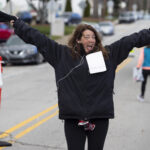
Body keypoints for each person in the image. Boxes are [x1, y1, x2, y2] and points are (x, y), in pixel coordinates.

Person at [1, 11, 150, 150]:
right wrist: (18, 23)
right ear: (78, 39)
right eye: (87, 36)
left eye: (93, 37)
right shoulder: (61, 55)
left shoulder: (108, 56)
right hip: (73, 118)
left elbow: (133, 40)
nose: (91, 39)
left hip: (99, 117)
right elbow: (39, 39)